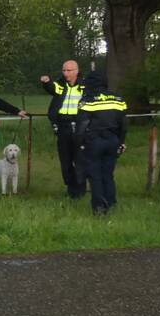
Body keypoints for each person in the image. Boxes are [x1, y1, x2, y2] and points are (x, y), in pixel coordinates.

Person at [74, 71, 127, 215]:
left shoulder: (88, 99)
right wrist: (121, 142)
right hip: (112, 141)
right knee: (108, 174)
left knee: (95, 175)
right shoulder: (118, 98)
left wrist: (79, 144)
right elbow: (123, 124)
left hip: (94, 141)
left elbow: (81, 126)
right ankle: (111, 203)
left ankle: (99, 207)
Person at [40, 60, 86, 198]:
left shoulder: (85, 87)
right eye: (64, 70)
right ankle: (71, 188)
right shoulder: (61, 85)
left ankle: (79, 190)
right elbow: (52, 88)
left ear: (77, 71)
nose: (66, 73)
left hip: (80, 128)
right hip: (63, 127)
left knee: (79, 160)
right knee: (65, 161)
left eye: (69, 70)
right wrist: (46, 82)